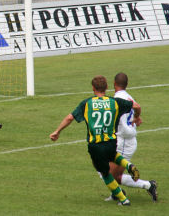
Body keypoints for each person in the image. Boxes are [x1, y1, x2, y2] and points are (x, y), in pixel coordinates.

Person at [50, 75, 142, 206]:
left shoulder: (87, 103)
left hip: (95, 145)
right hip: (111, 142)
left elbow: (70, 118)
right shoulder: (114, 102)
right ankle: (128, 165)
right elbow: (137, 106)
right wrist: (137, 118)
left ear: (93, 88)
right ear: (107, 87)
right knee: (112, 155)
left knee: (105, 173)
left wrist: (57, 131)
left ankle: (123, 199)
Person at [104, 73, 158, 202]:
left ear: (114, 83)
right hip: (124, 139)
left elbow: (136, 108)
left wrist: (136, 117)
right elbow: (137, 107)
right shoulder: (127, 96)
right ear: (126, 85)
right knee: (106, 171)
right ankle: (117, 193)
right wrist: (136, 117)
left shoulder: (119, 98)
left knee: (109, 174)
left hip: (124, 141)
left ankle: (149, 185)